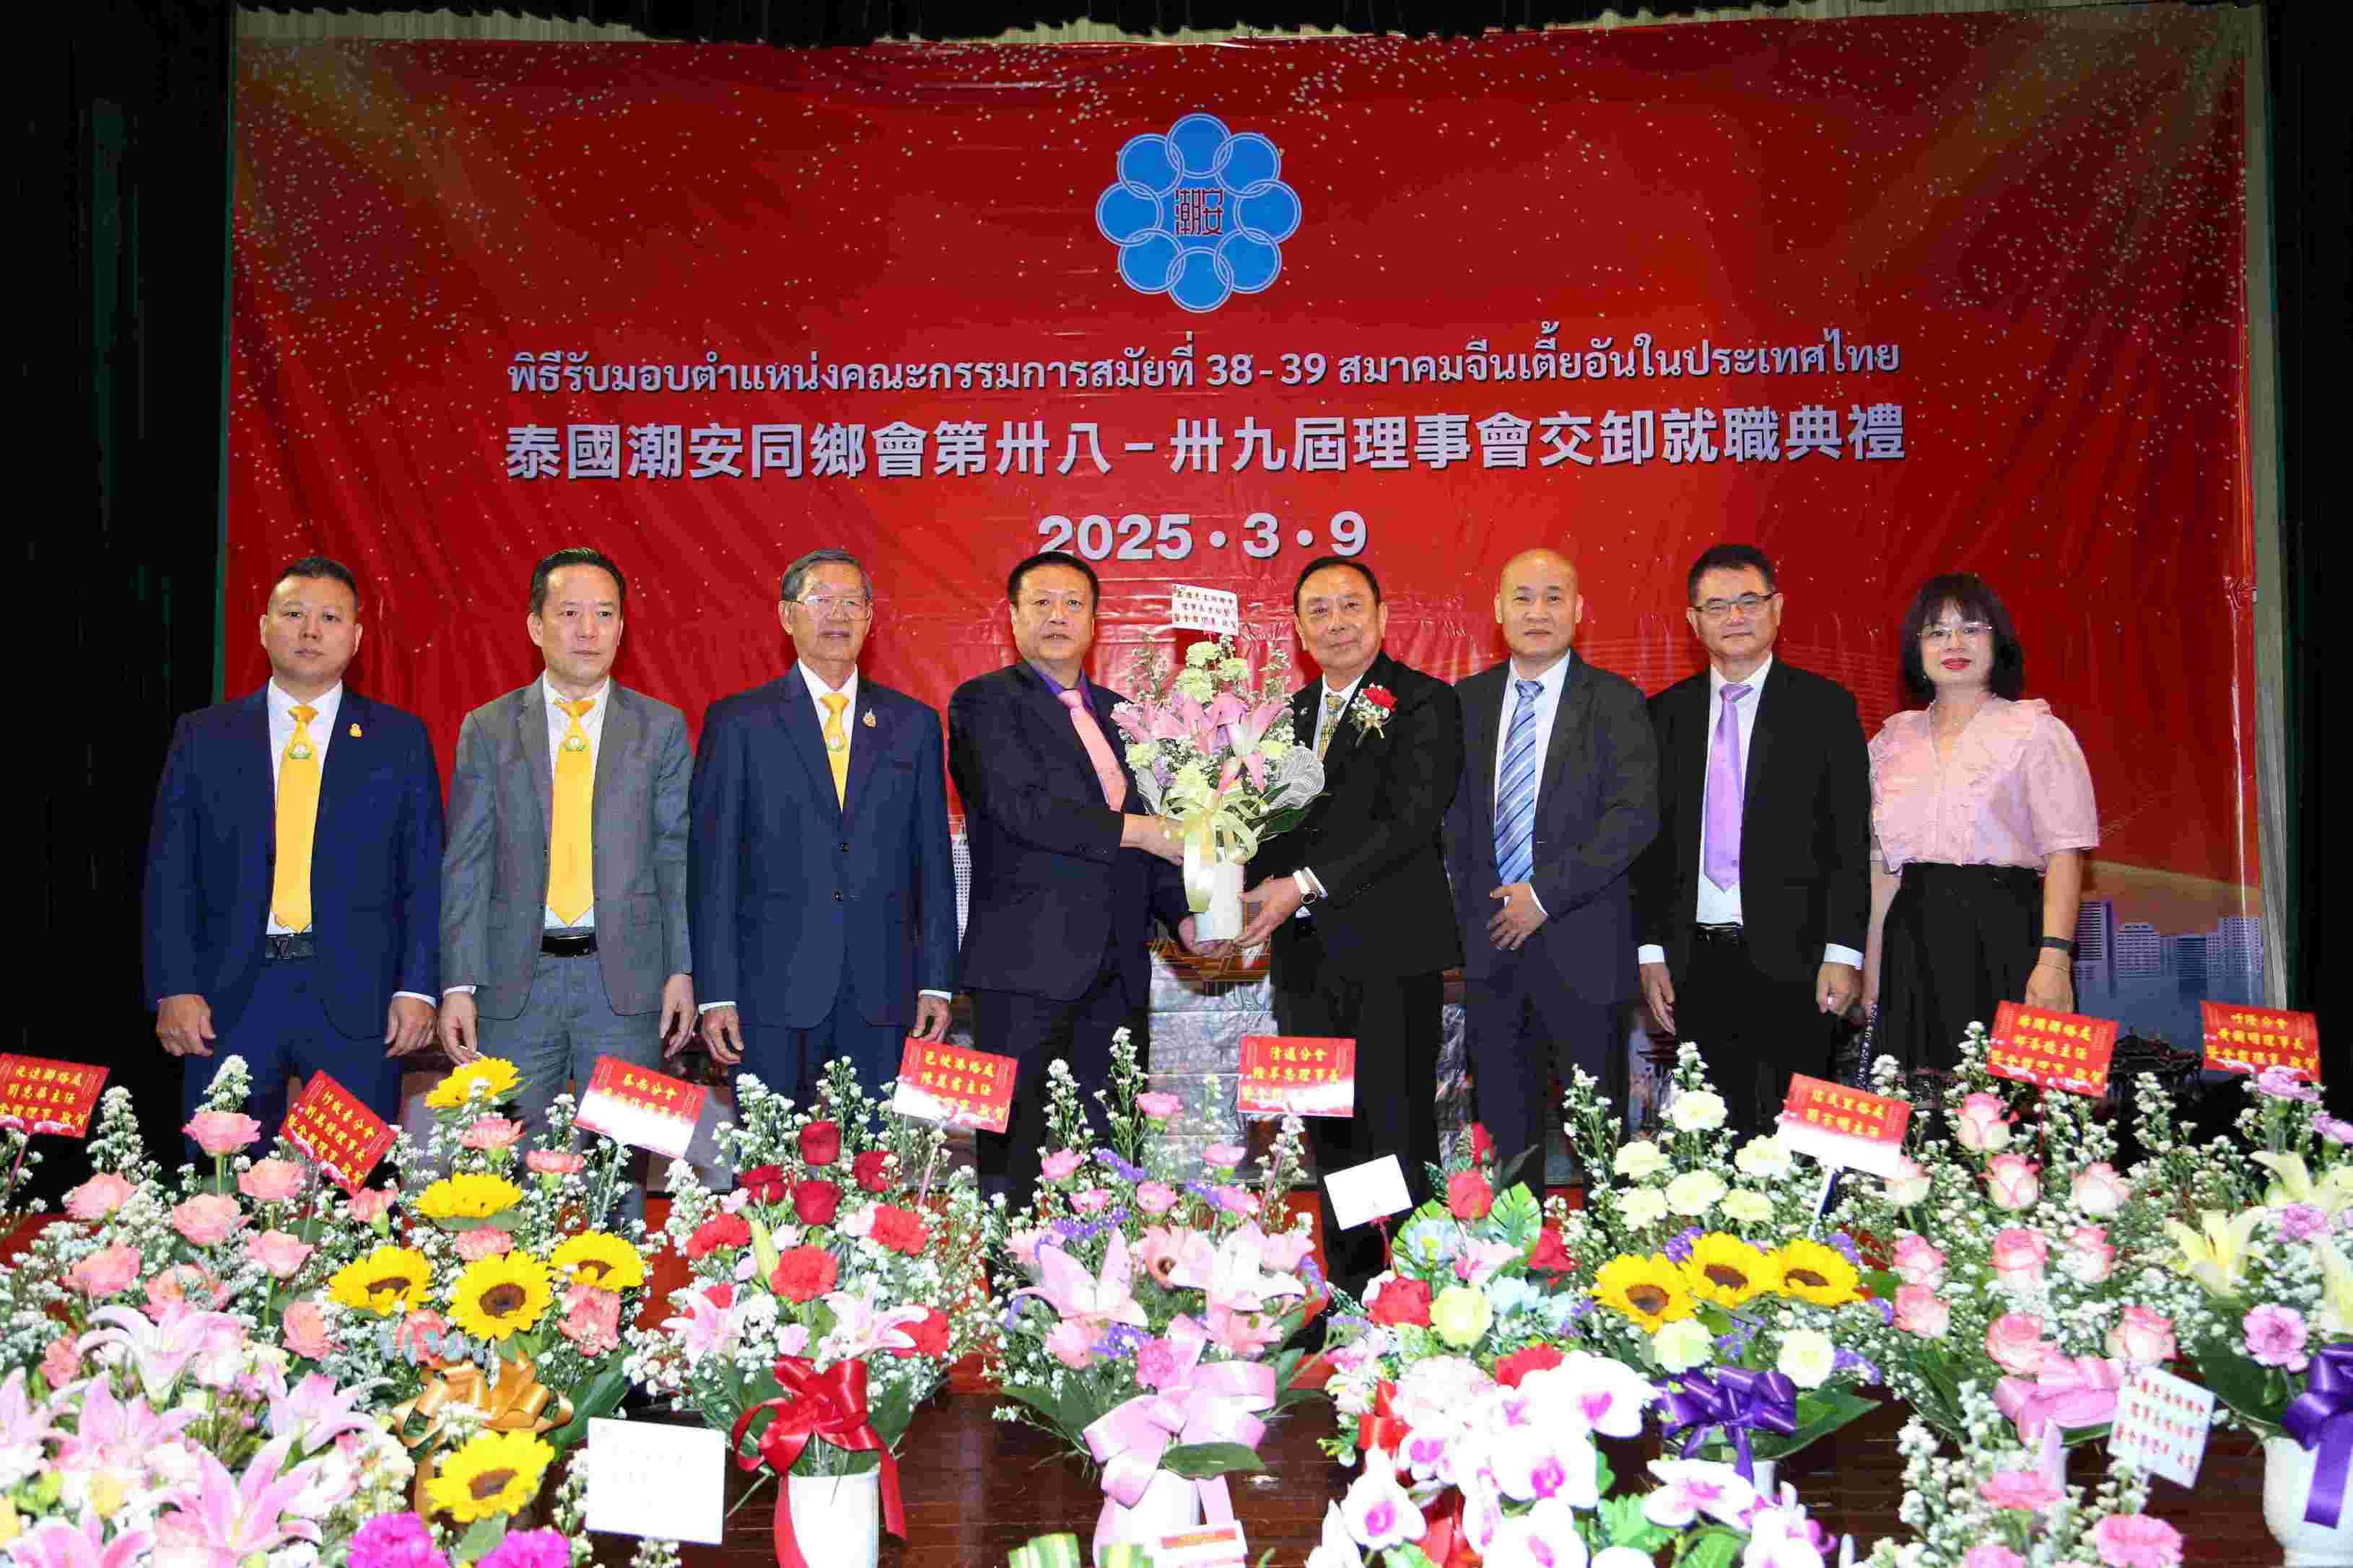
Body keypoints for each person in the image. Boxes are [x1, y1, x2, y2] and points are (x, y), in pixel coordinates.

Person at [145, 556, 442, 1150]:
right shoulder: (204, 735)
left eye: (330, 618)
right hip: (230, 994)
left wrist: (418, 988)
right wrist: (173, 985)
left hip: (358, 997)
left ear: (356, 638)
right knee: (221, 1179)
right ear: (263, 629)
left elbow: (424, 873)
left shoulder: (399, 739)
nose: (310, 630)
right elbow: (170, 871)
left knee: (356, 1182)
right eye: (294, 614)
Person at [438, 548, 694, 1211]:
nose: (588, 630)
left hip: (628, 989)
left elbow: (676, 858)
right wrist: (458, 982)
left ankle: (621, 1281)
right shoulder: (488, 728)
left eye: (604, 614)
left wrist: (682, 969)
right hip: (514, 988)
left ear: (622, 628)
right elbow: (467, 862)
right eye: (570, 613)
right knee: (507, 1180)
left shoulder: (662, 728)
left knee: (620, 1184)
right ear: (535, 625)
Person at [1235, 556, 1462, 1298]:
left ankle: (1413, 1294)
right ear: (1299, 630)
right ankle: (1353, 1288)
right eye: (1319, 611)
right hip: (1306, 963)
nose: (1337, 623)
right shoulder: (1282, 718)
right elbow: (1264, 833)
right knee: (1331, 1132)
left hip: (1392, 959)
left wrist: (1300, 883)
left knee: (1394, 1129)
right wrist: (1224, 889)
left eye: (1350, 606)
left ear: (1381, 616)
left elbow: (1410, 819)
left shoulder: (1425, 702)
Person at [949, 550, 1195, 1202]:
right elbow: (1023, 809)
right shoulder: (984, 703)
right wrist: (1142, 830)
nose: (1057, 615)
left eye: (1073, 603)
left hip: (1118, 974)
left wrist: (1186, 915)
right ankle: (1010, 1272)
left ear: (1094, 622)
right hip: (1023, 976)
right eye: (1041, 603)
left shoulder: (1126, 716)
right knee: (1017, 1166)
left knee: (1114, 1158)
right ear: (1012, 618)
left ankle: (1111, 1271)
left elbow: (1156, 838)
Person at [691, 548, 958, 1111]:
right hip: (769, 989)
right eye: (821, 600)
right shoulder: (738, 721)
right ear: (787, 616)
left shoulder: (912, 724)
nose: (838, 615)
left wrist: (936, 979)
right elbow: (712, 869)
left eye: (852, 602)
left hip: (882, 989)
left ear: (870, 617)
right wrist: (715, 990)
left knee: (876, 1153)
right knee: (765, 1152)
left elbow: (932, 862)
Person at [1631, 543, 1869, 1133]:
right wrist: (1651, 950)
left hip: (1800, 961)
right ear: (1693, 621)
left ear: (1777, 608)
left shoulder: (1825, 707)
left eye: (1749, 601)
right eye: (1717, 606)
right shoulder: (1663, 716)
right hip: (1696, 963)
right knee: (1712, 1133)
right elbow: (1649, 848)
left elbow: (1848, 840)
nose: (1734, 617)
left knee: (1802, 1133)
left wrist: (1844, 952)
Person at [1446, 548, 1659, 1173]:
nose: (1537, 611)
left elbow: (1633, 818)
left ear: (1579, 609)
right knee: (1505, 1146)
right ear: (1498, 610)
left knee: (1599, 1145)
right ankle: (1514, 1241)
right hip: (1492, 956)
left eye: (1553, 597)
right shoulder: (1465, 702)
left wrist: (1542, 896)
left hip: (1585, 954)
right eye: (1522, 597)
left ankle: (1606, 1237)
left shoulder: (1617, 702)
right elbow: (1452, 824)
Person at [1863, 573, 2099, 1072]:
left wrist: (2054, 961)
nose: (1954, 644)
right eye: (1937, 632)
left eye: (1971, 629)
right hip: (1914, 941)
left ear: (1998, 642)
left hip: (2009, 934)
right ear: (1917, 649)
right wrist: (1874, 971)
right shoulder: (1890, 743)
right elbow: (1883, 870)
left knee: (2021, 1101)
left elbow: (2065, 854)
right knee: (1922, 1102)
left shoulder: (2036, 731)